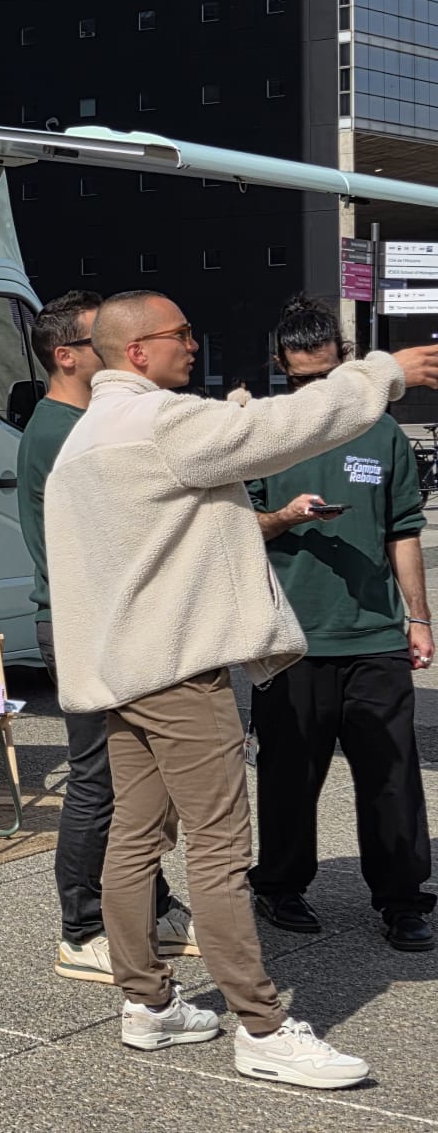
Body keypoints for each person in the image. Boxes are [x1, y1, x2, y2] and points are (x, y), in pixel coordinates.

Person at [45, 289, 438, 1089]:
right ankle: (261, 1025)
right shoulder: (162, 425)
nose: (195, 343)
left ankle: (148, 1006)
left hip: (119, 672)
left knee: (134, 840)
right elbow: (280, 427)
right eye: (181, 333)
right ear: (139, 352)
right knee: (221, 852)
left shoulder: (88, 438)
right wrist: (380, 374)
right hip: (180, 672)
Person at [244, 297, 436, 953]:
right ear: (279, 368)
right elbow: (236, 527)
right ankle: (279, 887)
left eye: (325, 378)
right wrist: (285, 517)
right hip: (290, 636)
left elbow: (402, 530)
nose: (315, 391)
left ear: (345, 365)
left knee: (390, 773)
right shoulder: (263, 430)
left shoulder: (380, 430)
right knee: (289, 773)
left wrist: (419, 617)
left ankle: (404, 899)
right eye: (300, 381)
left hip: (374, 633)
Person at [17, 290, 194, 983]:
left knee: (136, 776)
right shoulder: (64, 431)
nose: (123, 352)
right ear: (67, 357)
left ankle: (148, 903)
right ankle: (82, 927)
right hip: (82, 622)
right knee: (99, 779)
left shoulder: (82, 421)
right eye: (104, 343)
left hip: (103, 619)